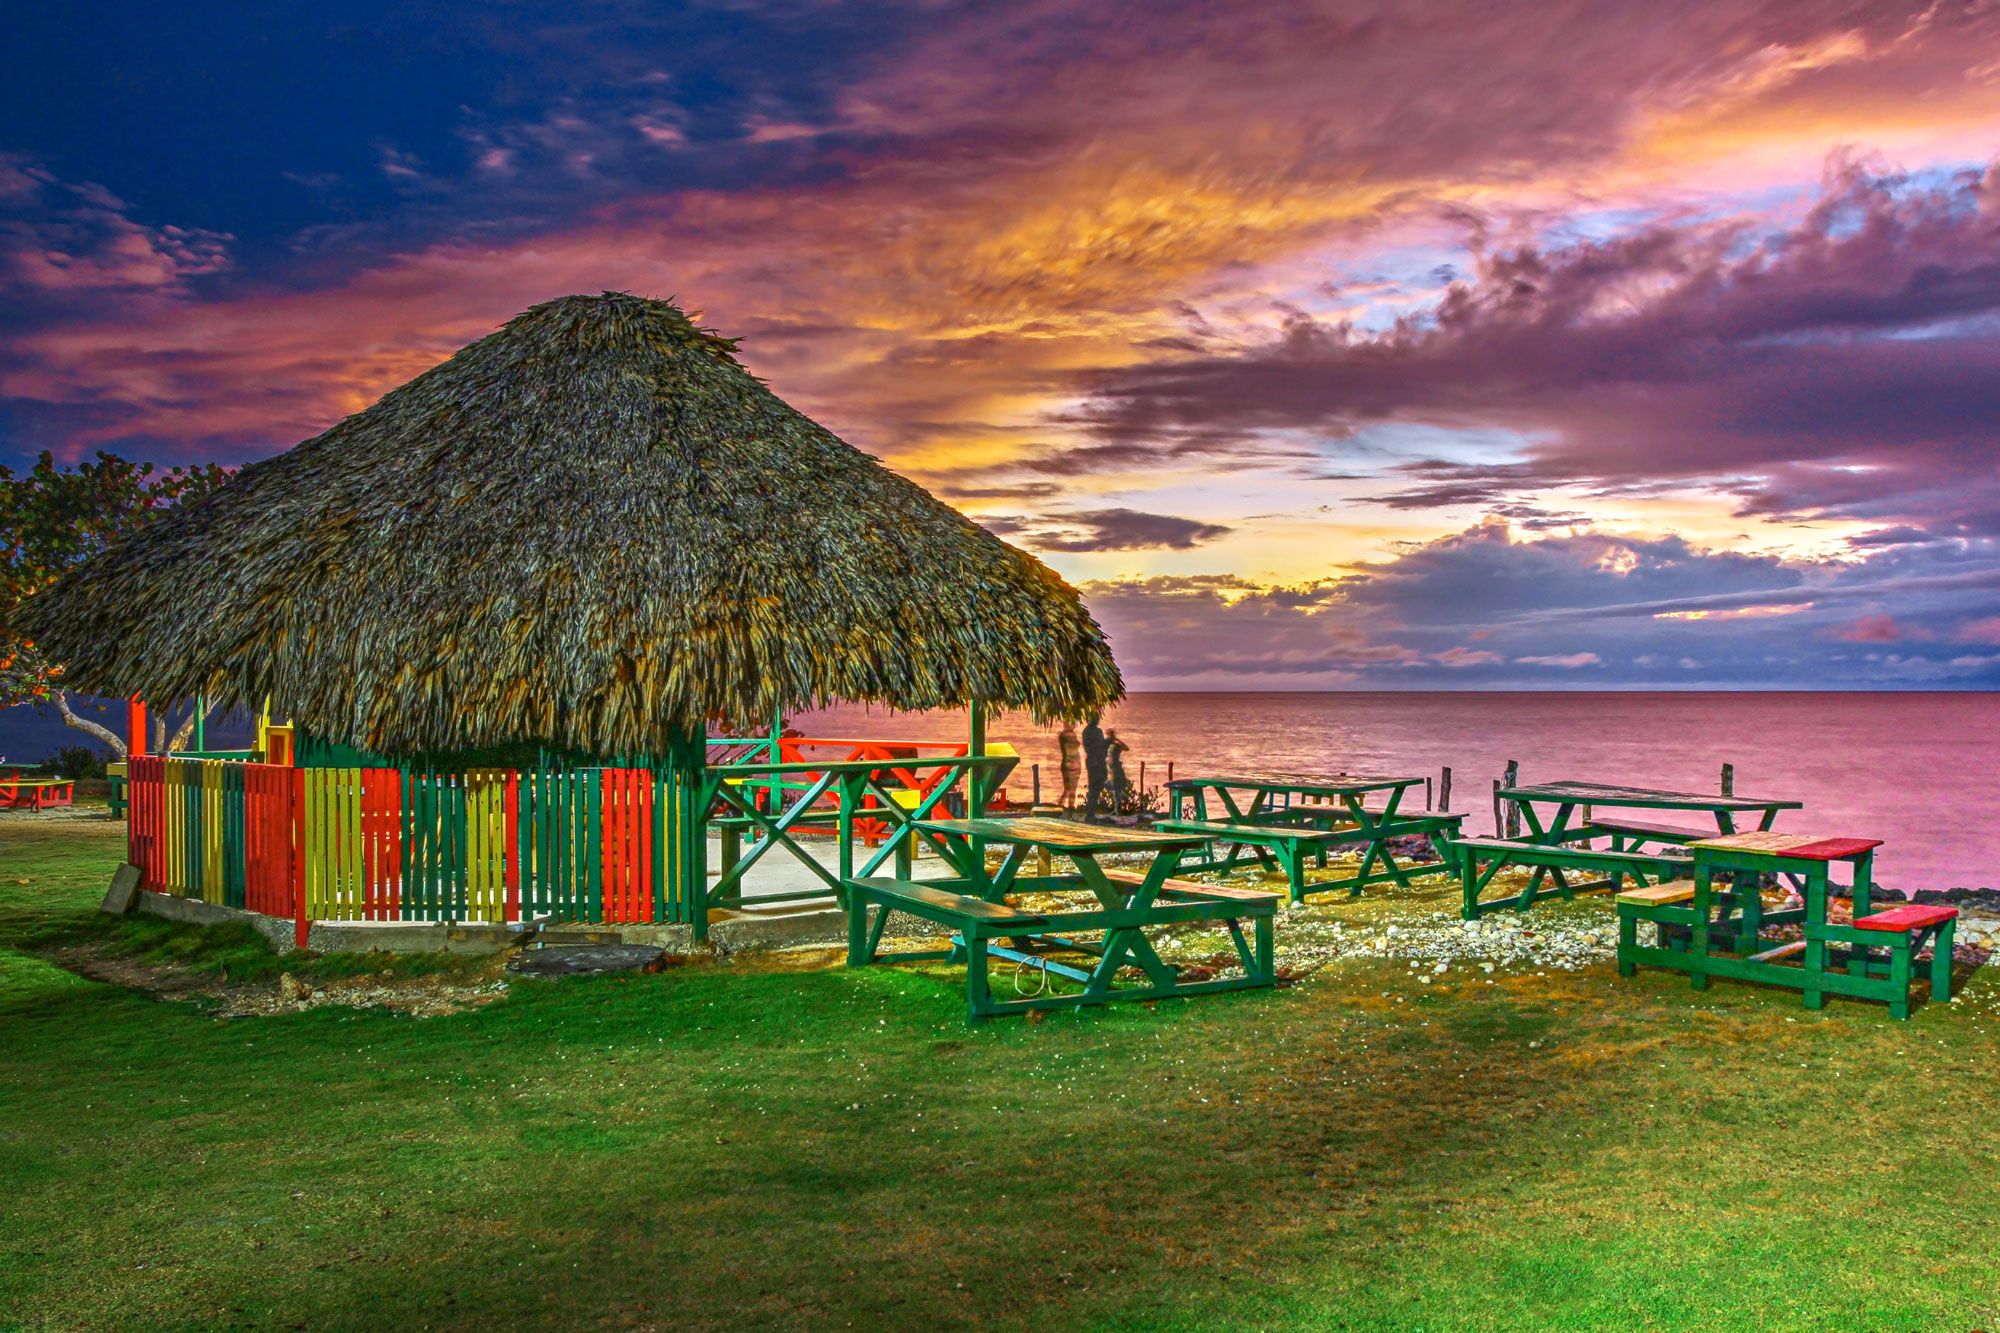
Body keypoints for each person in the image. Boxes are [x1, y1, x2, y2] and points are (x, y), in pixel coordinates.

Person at [1081, 713, 1109, 822]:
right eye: (1095, 718)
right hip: (1093, 762)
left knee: (1098, 788)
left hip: (1101, 761)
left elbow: (1102, 746)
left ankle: (1091, 813)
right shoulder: (1087, 732)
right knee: (1093, 788)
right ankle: (1089, 814)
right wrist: (1098, 746)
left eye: (1098, 718)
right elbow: (1088, 748)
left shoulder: (1099, 731)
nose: (1097, 720)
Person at [1057, 722, 1082, 811]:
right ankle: (1061, 805)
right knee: (1068, 789)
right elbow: (1066, 748)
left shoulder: (1070, 734)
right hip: (1069, 762)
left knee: (1072, 789)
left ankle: (1070, 806)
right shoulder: (1064, 735)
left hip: (1075, 762)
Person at [1106, 728, 1131, 817]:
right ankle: (1116, 809)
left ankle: (1117, 810)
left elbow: (1126, 748)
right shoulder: (1107, 744)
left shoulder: (1116, 744)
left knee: (1117, 789)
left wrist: (1117, 740)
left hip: (1116, 769)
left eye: (1112, 734)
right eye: (1110, 734)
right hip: (1110, 769)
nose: (1111, 736)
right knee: (1113, 788)